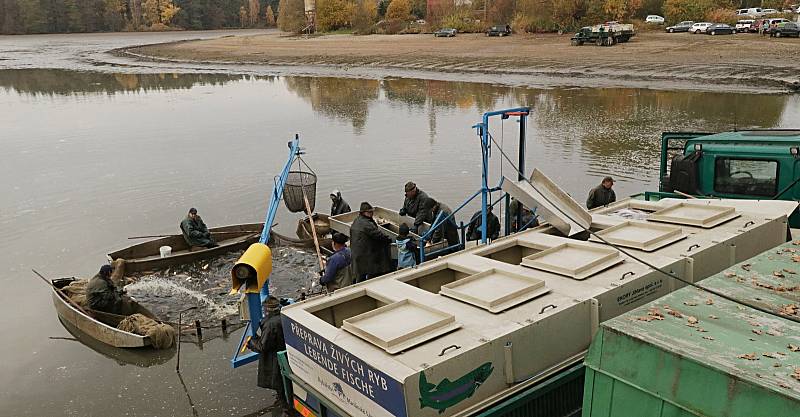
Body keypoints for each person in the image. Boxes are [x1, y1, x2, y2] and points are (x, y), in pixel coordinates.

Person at [247, 296, 287, 406]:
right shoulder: (282, 316)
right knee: (284, 381)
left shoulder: (270, 324)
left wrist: (251, 342)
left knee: (279, 382)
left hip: (275, 359)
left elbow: (262, 347)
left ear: (266, 309)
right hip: (284, 353)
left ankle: (284, 405)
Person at [350, 202, 393, 282]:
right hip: (365, 253)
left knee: (360, 273)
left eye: (372, 211)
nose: (371, 213)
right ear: (363, 213)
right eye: (369, 212)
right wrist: (389, 239)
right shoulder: (366, 224)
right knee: (369, 269)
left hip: (357, 253)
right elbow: (378, 234)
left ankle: (358, 285)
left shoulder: (357, 220)